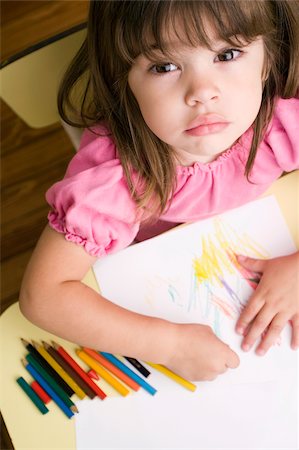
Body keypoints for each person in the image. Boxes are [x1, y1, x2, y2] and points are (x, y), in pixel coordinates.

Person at [19, 0, 299, 381]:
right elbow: (44, 296)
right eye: (164, 66)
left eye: (228, 54)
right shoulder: (119, 176)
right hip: (159, 283)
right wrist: (169, 346)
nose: (202, 93)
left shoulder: (282, 117)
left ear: (268, 56)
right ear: (123, 79)